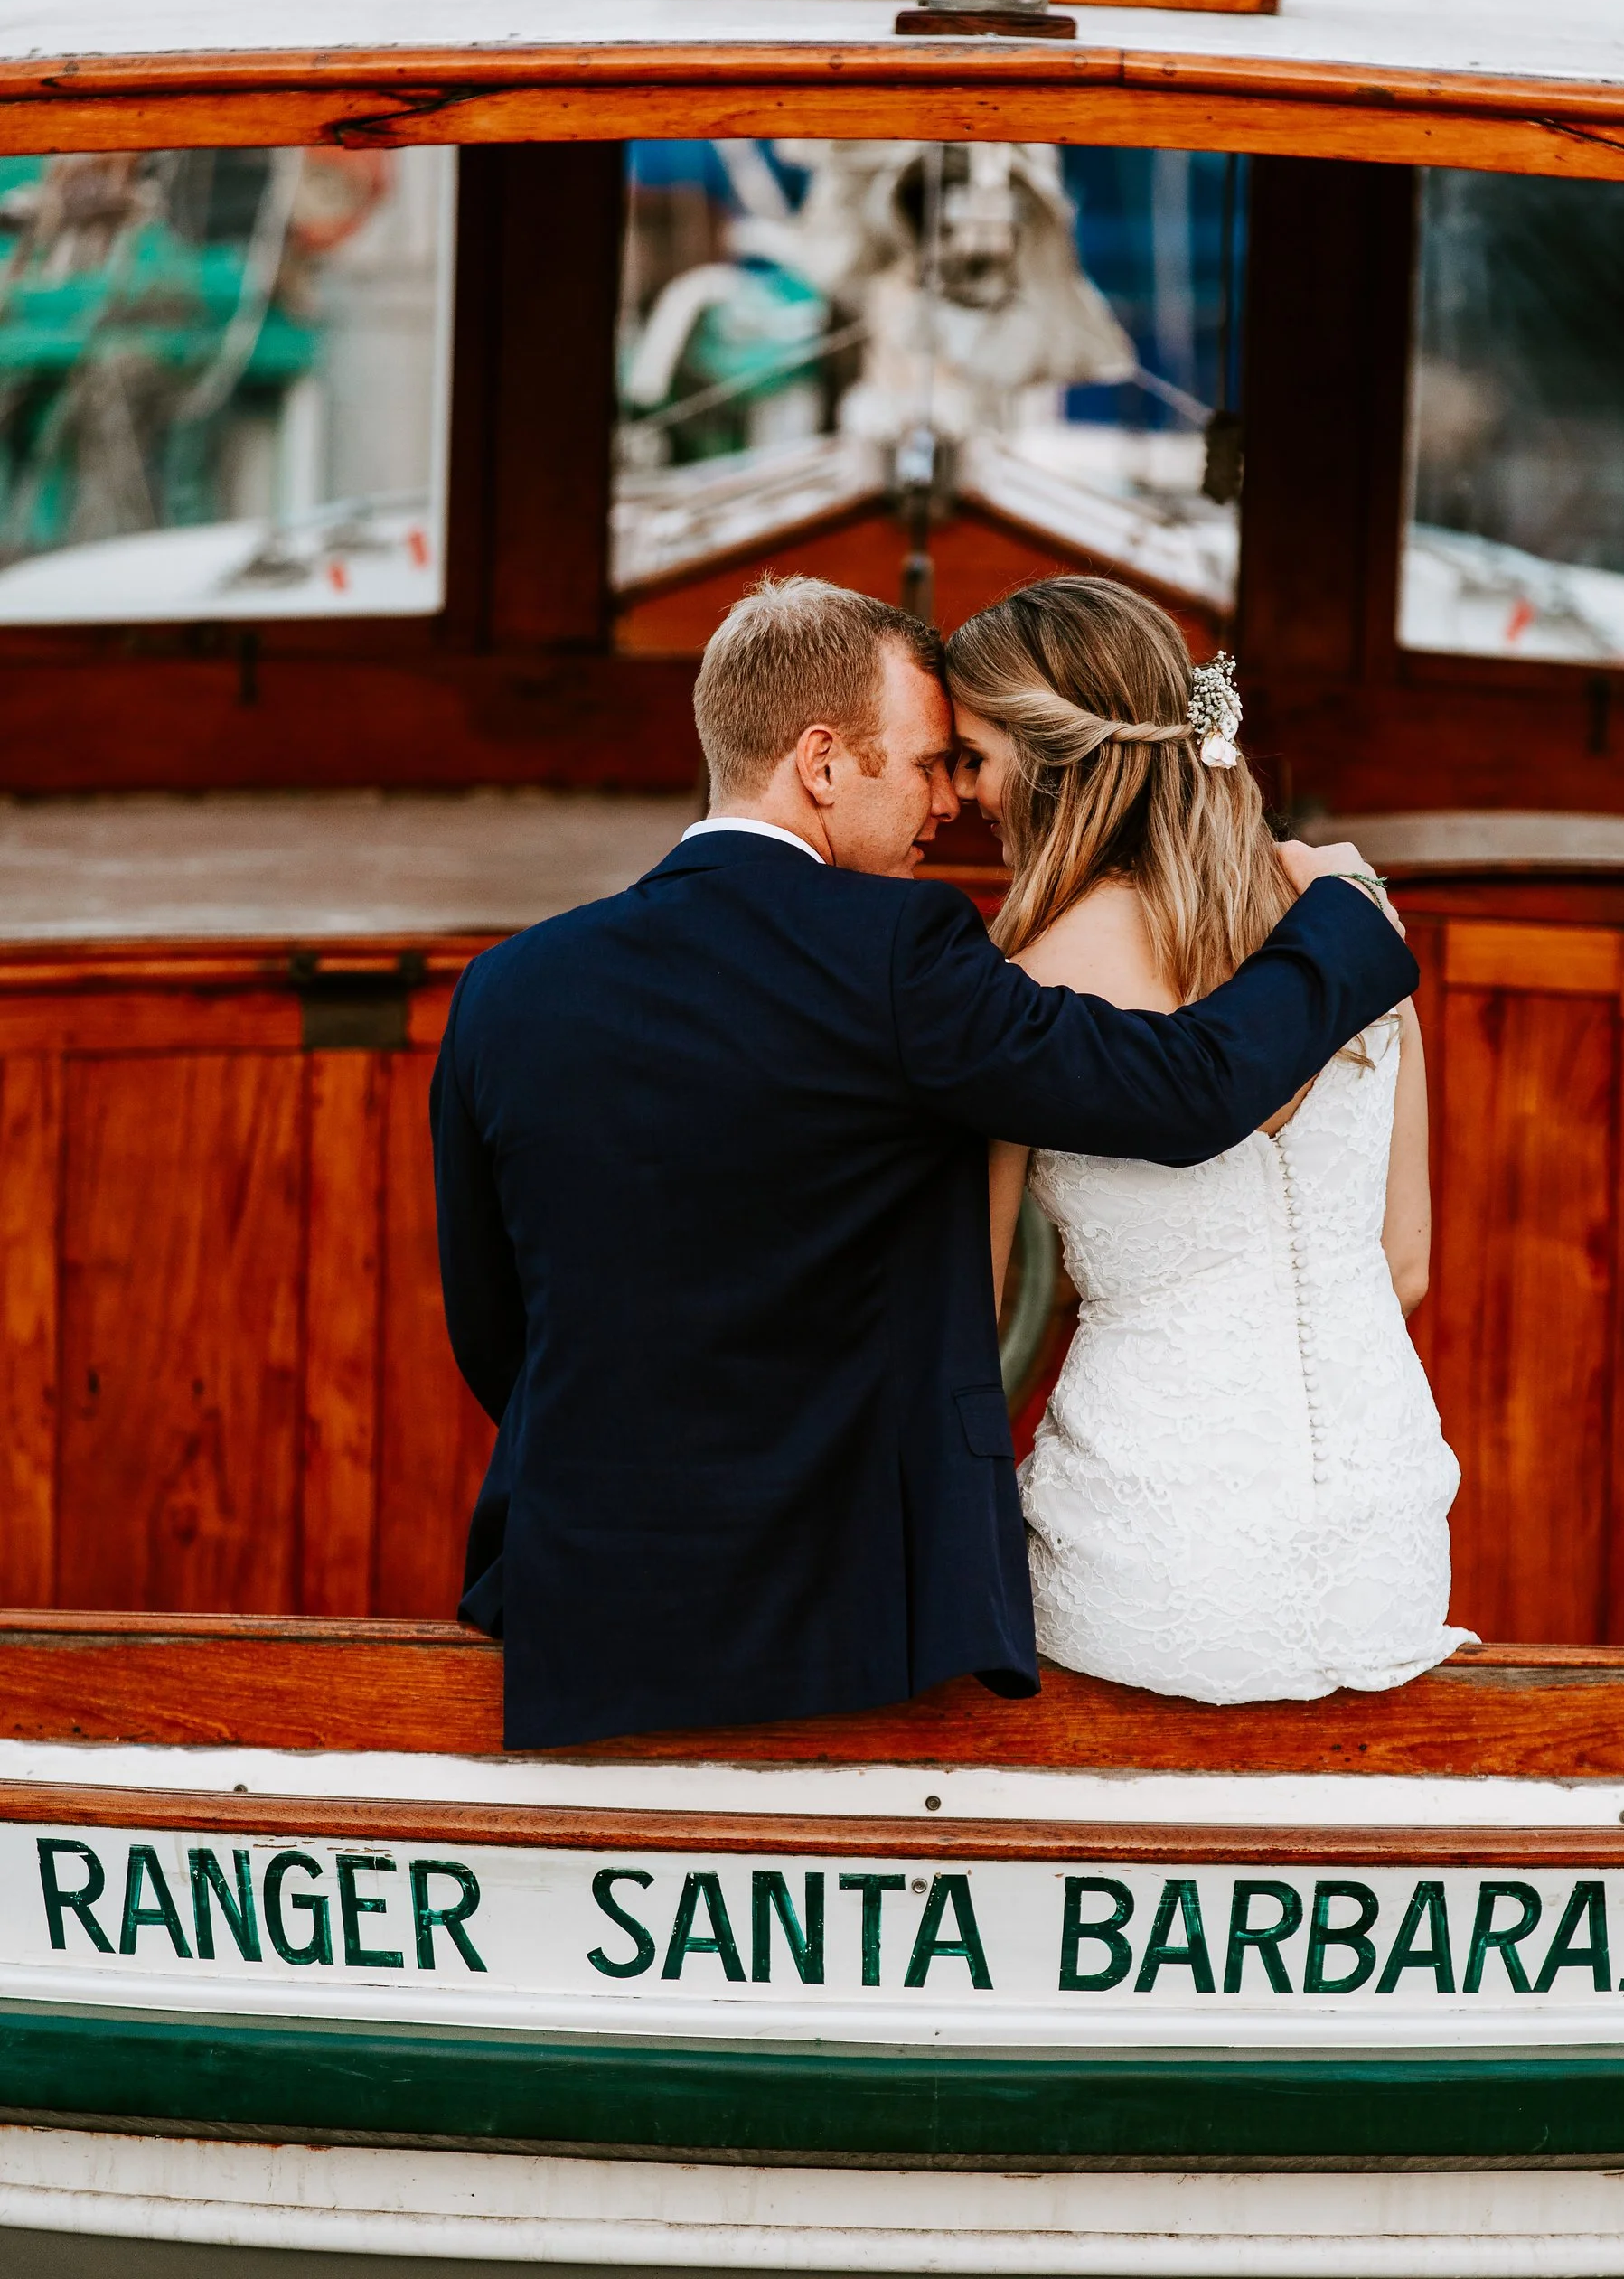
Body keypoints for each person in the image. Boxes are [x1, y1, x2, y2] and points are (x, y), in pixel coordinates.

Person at [431, 575, 1417, 1750]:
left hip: (587, 1596)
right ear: (823, 764)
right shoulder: (901, 954)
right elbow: (1191, 1089)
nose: (947, 801)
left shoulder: (505, 990)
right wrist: (1349, 920)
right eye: (924, 764)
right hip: (861, 1610)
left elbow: (492, 1326)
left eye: (966, 763)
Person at [946, 575, 1471, 1705]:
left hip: (1145, 1554)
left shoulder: (1020, 981)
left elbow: (970, 1307)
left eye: (974, 755)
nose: (962, 792)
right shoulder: (1350, 919)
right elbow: (1404, 1266)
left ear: (1047, 762)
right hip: (1383, 1541)